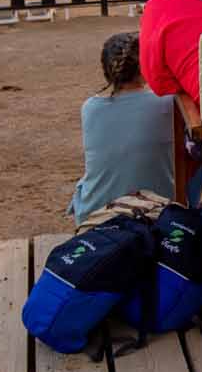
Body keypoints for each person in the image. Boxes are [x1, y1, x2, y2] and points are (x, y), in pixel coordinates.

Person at [70, 32, 181, 226]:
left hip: (97, 217)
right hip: (158, 212)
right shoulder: (167, 103)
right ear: (144, 66)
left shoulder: (90, 108)